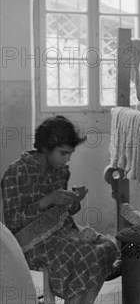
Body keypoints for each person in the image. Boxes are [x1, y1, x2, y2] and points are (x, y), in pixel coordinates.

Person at [1, 116, 120, 304]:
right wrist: (48, 200)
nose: (67, 160)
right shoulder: (17, 172)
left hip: (63, 232)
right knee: (86, 255)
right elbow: (13, 222)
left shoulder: (61, 171)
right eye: (63, 153)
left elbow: (64, 213)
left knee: (108, 247)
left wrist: (73, 200)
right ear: (46, 148)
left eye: (70, 154)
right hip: (31, 242)